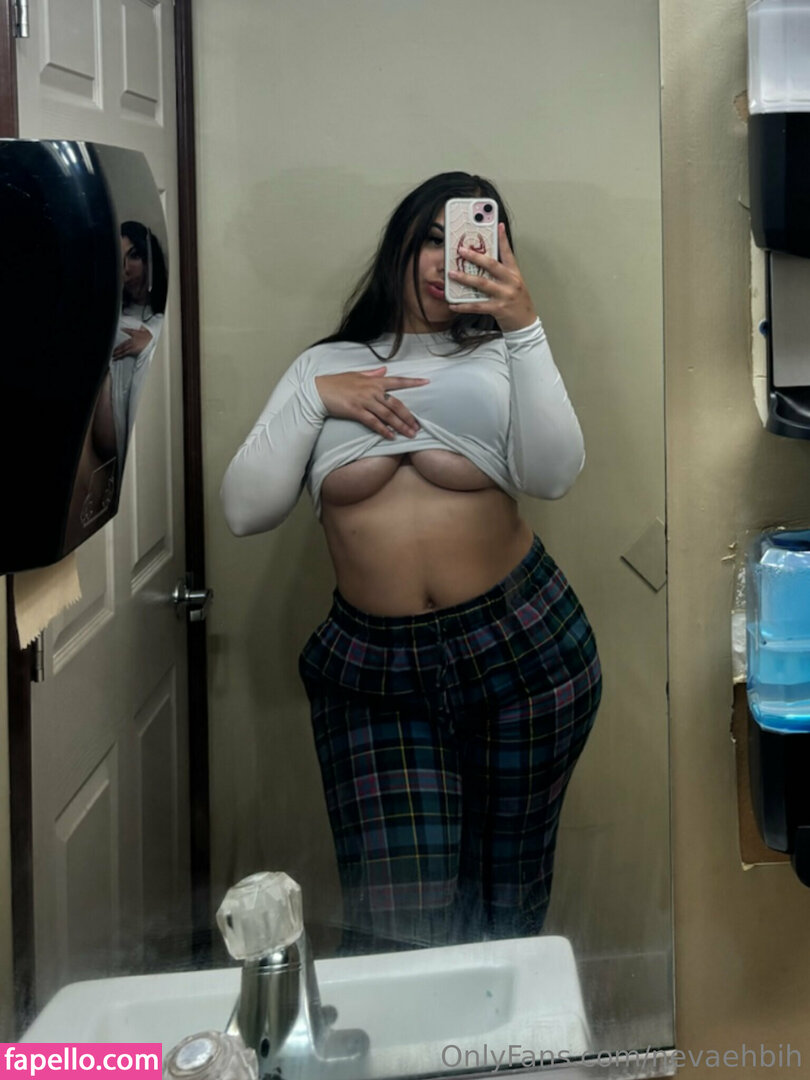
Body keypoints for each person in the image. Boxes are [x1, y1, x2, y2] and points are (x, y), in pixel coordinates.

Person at [221, 172, 602, 953]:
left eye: (466, 242)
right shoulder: (324, 367)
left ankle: (503, 1034)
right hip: (376, 671)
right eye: (430, 238)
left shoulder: (502, 357)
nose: (443, 259)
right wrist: (318, 397)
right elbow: (244, 510)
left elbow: (554, 475)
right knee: (398, 920)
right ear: (400, 243)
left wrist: (523, 325)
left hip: (523, 649)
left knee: (508, 899)